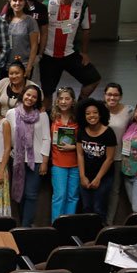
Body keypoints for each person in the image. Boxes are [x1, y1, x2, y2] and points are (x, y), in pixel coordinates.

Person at [40, 0, 100, 109]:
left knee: (94, 79)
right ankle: (49, 116)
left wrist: (85, 52)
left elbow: (86, 30)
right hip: (49, 56)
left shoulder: (82, 5)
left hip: (70, 54)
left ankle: (78, 108)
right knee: (47, 92)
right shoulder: (47, 4)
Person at [6, 85, 51, 227]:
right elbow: (7, 137)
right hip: (17, 159)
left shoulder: (42, 115)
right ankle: (20, 224)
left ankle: (26, 227)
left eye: (34, 97)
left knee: (31, 195)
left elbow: (46, 138)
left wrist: (45, 161)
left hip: (36, 161)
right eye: (28, 95)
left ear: (37, 100)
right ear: (23, 95)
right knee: (19, 194)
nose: (30, 98)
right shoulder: (11, 113)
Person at [76, 98, 117, 224]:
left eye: (95, 112)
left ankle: (100, 234)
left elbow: (110, 158)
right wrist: (82, 176)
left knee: (99, 208)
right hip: (86, 175)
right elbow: (80, 154)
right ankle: (88, 234)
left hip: (104, 177)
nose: (91, 116)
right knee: (86, 208)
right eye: (88, 113)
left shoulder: (109, 132)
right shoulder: (81, 131)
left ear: (100, 114)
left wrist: (98, 178)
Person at [103, 83, 133, 223]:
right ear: (104, 95)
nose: (112, 98)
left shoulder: (129, 111)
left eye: (115, 95)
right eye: (109, 94)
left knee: (114, 191)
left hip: (118, 157)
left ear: (120, 96)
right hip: (99, 157)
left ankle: (108, 223)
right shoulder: (99, 109)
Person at [49, 86, 79, 221]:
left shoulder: (78, 119)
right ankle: (56, 225)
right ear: (57, 101)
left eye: (67, 99)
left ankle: (69, 225)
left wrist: (74, 147)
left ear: (73, 101)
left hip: (75, 164)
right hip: (58, 163)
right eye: (61, 98)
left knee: (73, 197)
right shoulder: (52, 117)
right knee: (59, 196)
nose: (63, 101)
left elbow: (84, 140)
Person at [5, 0, 40, 78]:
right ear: (10, 2)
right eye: (15, 0)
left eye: (20, 0)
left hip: (24, 65)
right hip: (6, 65)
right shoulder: (4, 20)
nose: (17, 3)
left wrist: (29, 67)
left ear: (25, 2)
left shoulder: (30, 21)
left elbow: (34, 46)